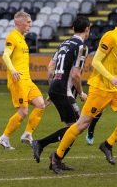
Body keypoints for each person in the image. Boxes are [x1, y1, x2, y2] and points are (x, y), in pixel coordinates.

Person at [49, 11, 117, 174]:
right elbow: (96, 62)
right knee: (81, 125)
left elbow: (113, 65)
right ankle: (56, 157)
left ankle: (107, 144)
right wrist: (111, 78)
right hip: (100, 88)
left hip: (113, 88)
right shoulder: (110, 36)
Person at [31, 16, 90, 170]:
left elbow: (50, 68)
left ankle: (56, 158)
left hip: (56, 87)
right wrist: (81, 92)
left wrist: (53, 89)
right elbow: (76, 75)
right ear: (87, 29)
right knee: (78, 126)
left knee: (74, 126)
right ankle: (43, 146)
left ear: (73, 29)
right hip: (64, 90)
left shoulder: (63, 44)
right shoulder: (82, 47)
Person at [0, 10, 46, 150]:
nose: (30, 25)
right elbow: (5, 56)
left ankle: (27, 134)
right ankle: (4, 138)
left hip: (27, 80)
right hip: (18, 80)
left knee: (40, 104)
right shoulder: (12, 37)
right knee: (23, 112)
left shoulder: (22, 39)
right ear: (19, 22)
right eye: (28, 22)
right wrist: (13, 71)